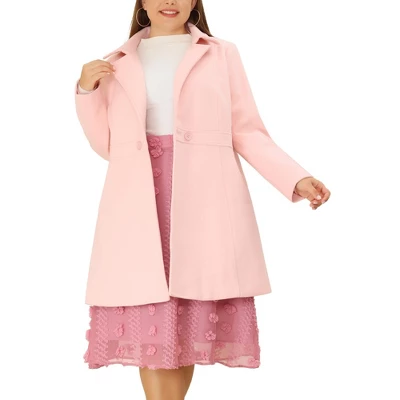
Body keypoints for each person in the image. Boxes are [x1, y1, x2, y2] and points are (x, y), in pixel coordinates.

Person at [75, 0, 331, 399]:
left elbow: (246, 129)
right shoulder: (116, 62)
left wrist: (295, 178)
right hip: (139, 200)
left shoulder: (221, 53)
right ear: (143, 2)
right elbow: (106, 145)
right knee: (151, 319)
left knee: (183, 323)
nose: (170, 1)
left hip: (203, 198)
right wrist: (86, 90)